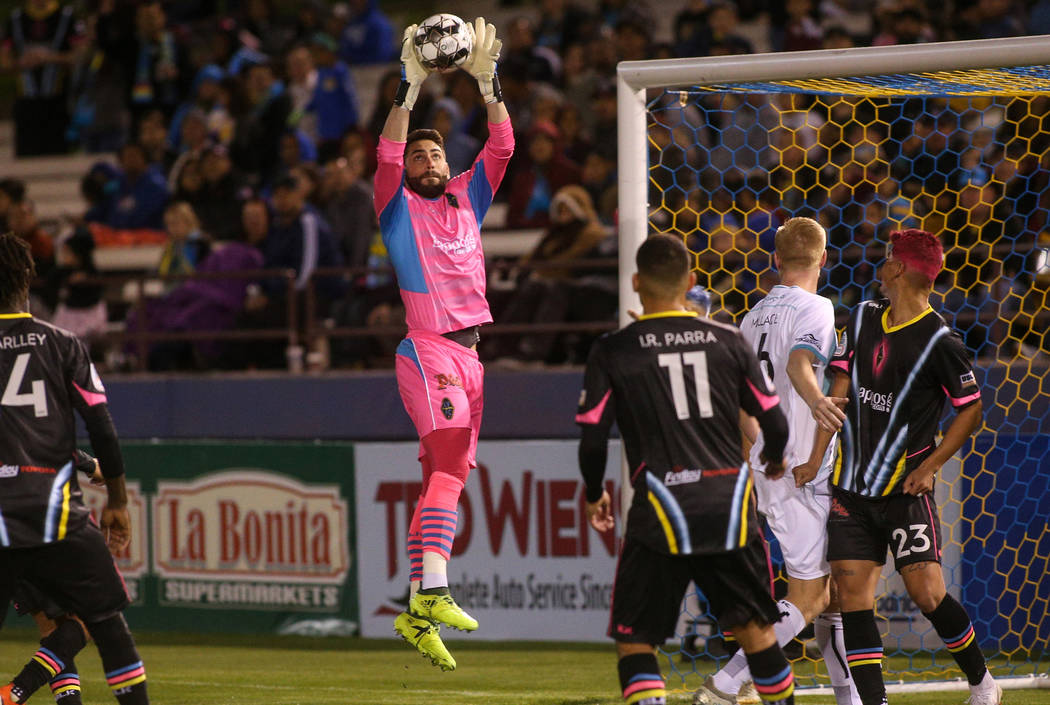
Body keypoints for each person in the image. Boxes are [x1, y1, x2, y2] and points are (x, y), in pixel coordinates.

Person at [576, 234, 796, 705]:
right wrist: (775, 458)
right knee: (757, 633)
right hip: (730, 505)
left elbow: (593, 438)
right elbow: (774, 422)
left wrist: (595, 492)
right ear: (691, 281)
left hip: (660, 506)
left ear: (635, 283)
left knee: (637, 638)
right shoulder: (727, 339)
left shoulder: (615, 349)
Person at [375, 18, 513, 671]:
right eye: (417, 156)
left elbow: (504, 148)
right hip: (428, 349)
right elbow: (383, 157)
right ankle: (434, 589)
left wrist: (489, 85)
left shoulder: (467, 197)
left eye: (435, 155)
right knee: (453, 465)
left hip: (471, 356)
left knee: (440, 475)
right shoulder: (398, 210)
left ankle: (412, 610)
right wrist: (409, 90)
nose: (427, 161)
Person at [814, 229, 1000, 705]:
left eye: (887, 257)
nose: (880, 264)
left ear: (899, 269)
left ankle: (983, 684)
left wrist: (933, 464)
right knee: (854, 599)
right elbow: (839, 379)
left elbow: (971, 409)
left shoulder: (941, 340)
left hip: (904, 491)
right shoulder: (858, 318)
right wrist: (821, 447)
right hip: (849, 490)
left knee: (928, 595)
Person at [695, 217, 860, 705]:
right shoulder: (818, 308)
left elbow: (741, 401)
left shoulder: (751, 317)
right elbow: (798, 364)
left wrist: (761, 448)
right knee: (810, 597)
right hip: (802, 471)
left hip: (767, 464)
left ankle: (848, 698)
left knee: (827, 597)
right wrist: (815, 406)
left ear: (775, 261)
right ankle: (725, 684)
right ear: (824, 260)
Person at [0, 232, 150, 705]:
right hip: (55, 512)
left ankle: (22, 693)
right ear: (28, 277)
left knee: (57, 620)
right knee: (104, 621)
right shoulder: (62, 343)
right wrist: (119, 502)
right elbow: (101, 427)